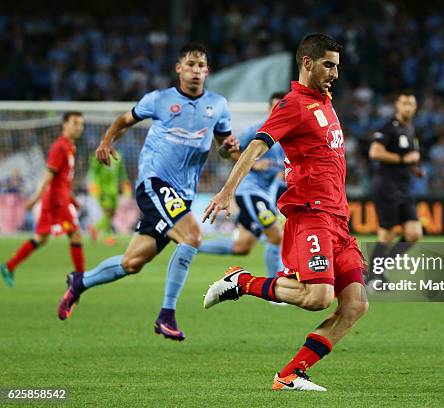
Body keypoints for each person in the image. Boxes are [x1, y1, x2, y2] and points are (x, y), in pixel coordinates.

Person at [203, 33, 368, 392]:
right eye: (328, 65)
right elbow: (254, 148)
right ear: (307, 63)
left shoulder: (325, 100)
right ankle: (242, 282)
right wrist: (227, 191)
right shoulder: (293, 104)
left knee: (355, 305)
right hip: (311, 214)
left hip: (338, 219)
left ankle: (290, 375)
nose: (335, 74)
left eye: (337, 66)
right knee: (318, 298)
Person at [57, 43, 238, 342]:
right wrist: (106, 142)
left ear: (207, 71)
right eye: (190, 65)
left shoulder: (218, 105)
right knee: (192, 236)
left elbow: (224, 148)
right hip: (154, 182)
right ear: (179, 69)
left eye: (200, 66)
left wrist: (229, 149)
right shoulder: (159, 99)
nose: (195, 71)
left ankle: (80, 281)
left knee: (132, 262)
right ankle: (166, 315)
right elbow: (123, 120)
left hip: (183, 194)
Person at [198, 92, 286, 278]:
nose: (277, 111)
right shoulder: (257, 130)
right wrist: (253, 163)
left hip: (268, 194)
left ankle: (193, 244)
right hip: (251, 192)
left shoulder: (288, 133)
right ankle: (274, 289)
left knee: (241, 247)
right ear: (268, 108)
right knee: (276, 236)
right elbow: (229, 152)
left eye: (281, 107)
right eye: (274, 107)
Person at [1, 112, 85, 287]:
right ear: (64, 124)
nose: (79, 127)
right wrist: (34, 199)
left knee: (41, 238)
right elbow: (48, 177)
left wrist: (72, 198)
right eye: (75, 123)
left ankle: (9, 266)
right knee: (76, 235)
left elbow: (61, 179)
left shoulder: (70, 146)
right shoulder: (60, 147)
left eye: (81, 124)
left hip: (59, 198)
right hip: (56, 201)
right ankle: (81, 279)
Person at [369, 91, 423, 244]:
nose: (408, 107)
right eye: (404, 103)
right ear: (397, 105)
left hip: (404, 187)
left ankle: (382, 265)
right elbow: (374, 152)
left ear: (415, 107)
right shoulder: (389, 127)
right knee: (388, 235)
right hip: (387, 185)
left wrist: (414, 168)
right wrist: (402, 159)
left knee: (414, 234)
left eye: (411, 104)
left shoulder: (411, 129)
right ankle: (377, 267)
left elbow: (408, 158)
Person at [87, 148, 132, 246]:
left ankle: (95, 228)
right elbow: (93, 172)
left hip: (114, 191)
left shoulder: (118, 156)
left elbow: (122, 174)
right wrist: (94, 186)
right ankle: (108, 237)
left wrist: (126, 186)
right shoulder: (98, 155)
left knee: (111, 214)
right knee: (107, 213)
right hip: (103, 190)